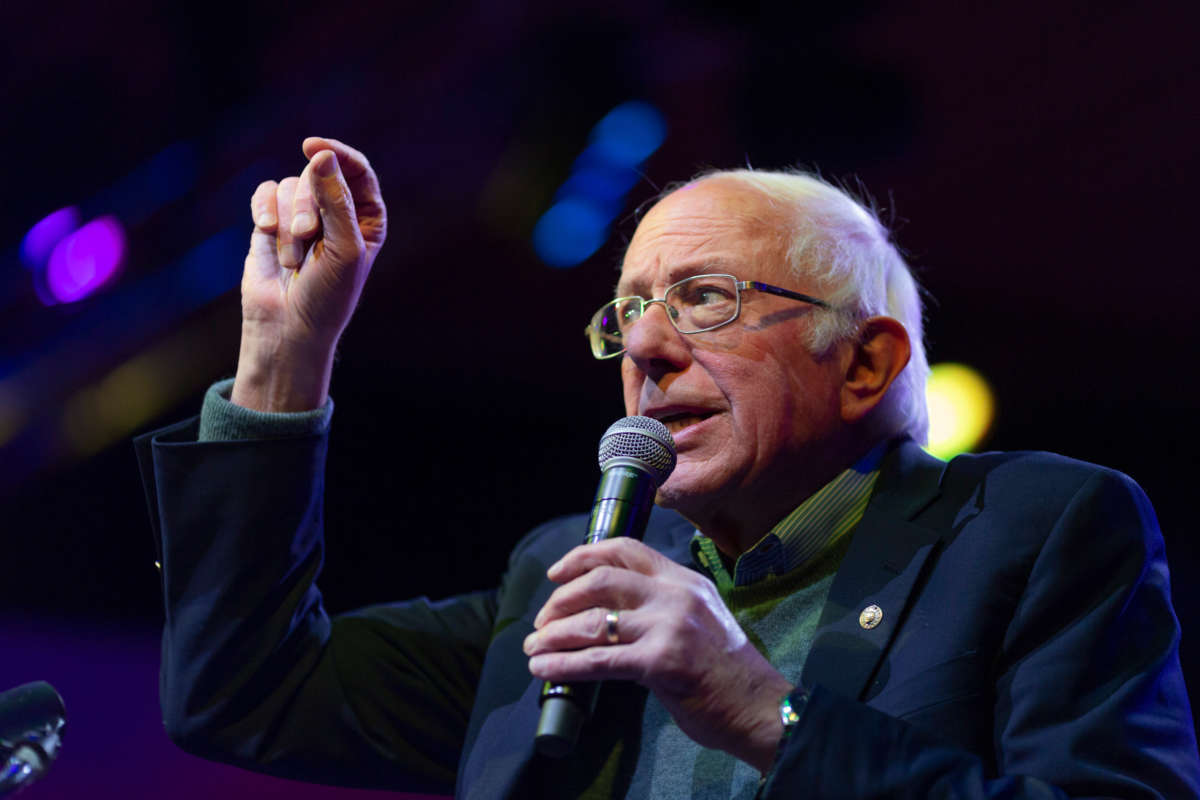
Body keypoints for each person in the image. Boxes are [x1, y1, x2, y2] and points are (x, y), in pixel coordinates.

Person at [135, 137, 1200, 798]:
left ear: (865, 361)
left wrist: (758, 704)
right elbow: (244, 693)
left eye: (706, 297)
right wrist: (284, 353)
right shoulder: (571, 573)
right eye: (630, 308)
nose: (644, 345)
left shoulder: (1035, 528)